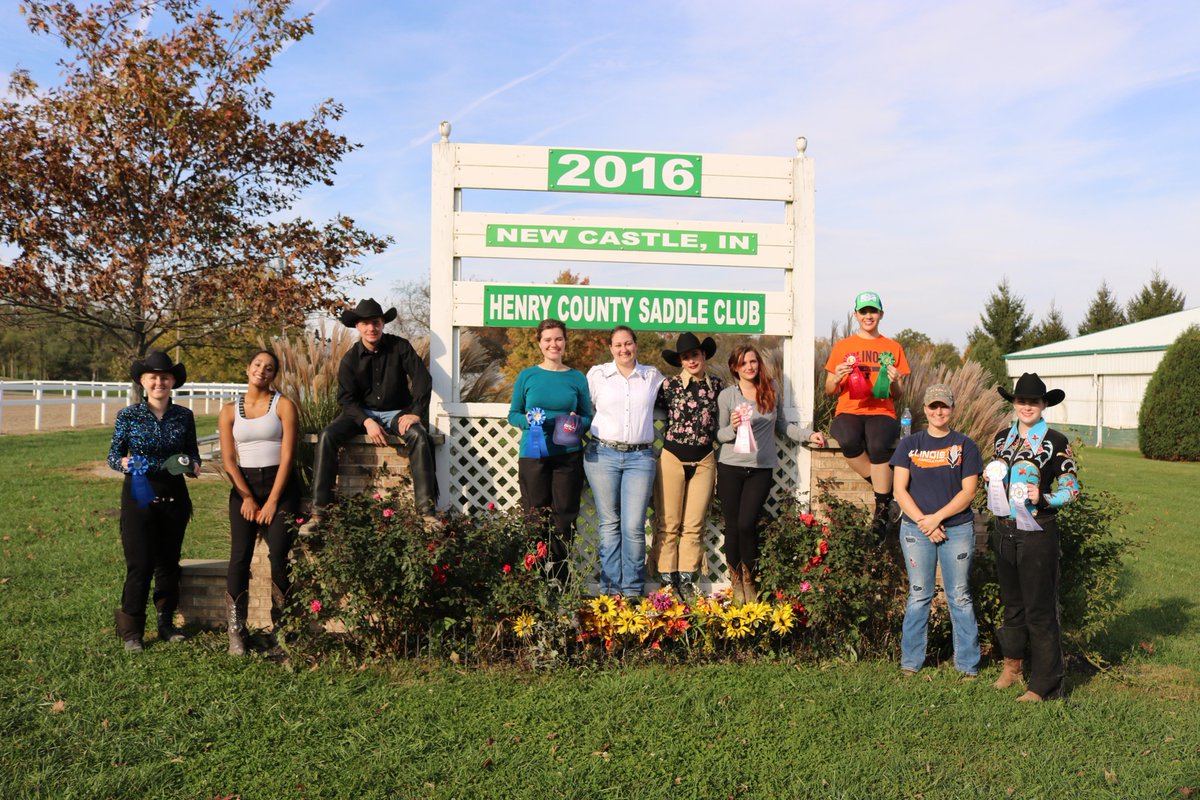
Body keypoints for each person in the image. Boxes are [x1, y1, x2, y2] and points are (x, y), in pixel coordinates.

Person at [988, 373, 1080, 702]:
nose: (1027, 406)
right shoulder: (1001, 439)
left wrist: (1043, 496)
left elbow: (1072, 490)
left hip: (1038, 530)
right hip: (1003, 528)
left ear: (1044, 405)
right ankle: (1012, 668)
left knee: (1039, 610)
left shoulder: (1056, 441)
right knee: (1012, 605)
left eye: (1034, 402)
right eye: (1021, 400)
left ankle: (1045, 684)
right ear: (1014, 404)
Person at [107, 351, 202, 652]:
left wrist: (194, 465)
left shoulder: (184, 416)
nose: (159, 381)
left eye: (165, 376)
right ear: (143, 381)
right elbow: (112, 455)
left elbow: (193, 453)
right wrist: (125, 463)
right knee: (140, 563)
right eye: (153, 377)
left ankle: (165, 621)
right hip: (139, 493)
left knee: (168, 562)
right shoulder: (128, 416)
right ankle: (132, 630)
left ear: (173, 381)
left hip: (174, 493)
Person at [310, 298, 438, 519]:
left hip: (396, 413)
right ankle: (319, 512)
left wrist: (415, 412)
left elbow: (422, 379)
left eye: (376, 322)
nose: (372, 328)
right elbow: (346, 399)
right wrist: (366, 421)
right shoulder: (350, 358)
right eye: (366, 323)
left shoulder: (400, 347)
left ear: (382, 324)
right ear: (358, 327)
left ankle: (427, 513)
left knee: (418, 435)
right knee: (327, 436)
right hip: (360, 413)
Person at [717, 343, 825, 604]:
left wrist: (808, 435)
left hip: (761, 469)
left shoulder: (771, 390)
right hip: (730, 465)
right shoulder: (727, 397)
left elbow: (782, 426)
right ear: (735, 367)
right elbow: (718, 435)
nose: (750, 367)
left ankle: (750, 579)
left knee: (747, 524)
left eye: (753, 361)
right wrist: (732, 429)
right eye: (743, 363)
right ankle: (738, 583)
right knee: (732, 527)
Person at [890, 384, 983, 678]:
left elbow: (968, 492)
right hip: (916, 531)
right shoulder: (910, 444)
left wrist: (937, 519)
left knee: (960, 595)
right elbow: (899, 490)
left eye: (943, 406)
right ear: (925, 410)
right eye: (933, 406)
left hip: (956, 529)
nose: (938, 411)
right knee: (919, 594)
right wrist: (924, 522)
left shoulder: (965, 445)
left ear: (952, 409)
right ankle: (911, 662)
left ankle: (967, 664)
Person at [218, 349, 301, 655]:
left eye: (269, 368)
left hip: (281, 488)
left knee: (279, 556)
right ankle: (236, 633)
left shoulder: (284, 405)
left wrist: (272, 501)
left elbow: (288, 456)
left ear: (273, 375)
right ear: (247, 368)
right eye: (257, 365)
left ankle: (282, 631)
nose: (262, 371)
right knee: (239, 557)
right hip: (245, 489)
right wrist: (248, 498)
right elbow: (228, 460)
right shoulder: (228, 410)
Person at [507, 319, 593, 585]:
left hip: (567, 455)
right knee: (534, 516)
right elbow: (513, 415)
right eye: (548, 340)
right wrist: (531, 422)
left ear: (565, 341)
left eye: (558, 339)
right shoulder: (527, 376)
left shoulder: (577, 378)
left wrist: (576, 423)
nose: (553, 344)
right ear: (539, 343)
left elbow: (589, 416)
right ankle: (535, 579)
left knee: (564, 517)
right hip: (533, 454)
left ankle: (560, 579)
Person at [585, 326, 665, 597]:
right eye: (618, 345)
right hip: (603, 455)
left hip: (640, 458)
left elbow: (674, 399)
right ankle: (610, 589)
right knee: (609, 524)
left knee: (633, 526)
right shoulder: (597, 375)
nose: (624, 349)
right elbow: (584, 405)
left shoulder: (651, 376)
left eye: (628, 343)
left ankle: (631, 589)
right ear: (610, 348)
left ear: (636, 345)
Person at [824, 290, 910, 540]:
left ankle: (881, 512)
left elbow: (898, 394)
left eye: (873, 311)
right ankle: (891, 494)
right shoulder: (843, 347)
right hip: (849, 409)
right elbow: (830, 389)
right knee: (849, 439)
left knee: (878, 443)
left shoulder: (893, 347)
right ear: (856, 315)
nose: (868, 315)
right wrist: (837, 377)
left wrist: (894, 381)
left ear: (881, 314)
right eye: (864, 311)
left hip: (882, 411)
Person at [648, 332, 724, 598]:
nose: (691, 360)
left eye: (695, 354)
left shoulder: (717, 385)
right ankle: (667, 579)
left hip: (704, 459)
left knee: (693, 523)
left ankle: (687, 577)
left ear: (703, 355)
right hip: (672, 458)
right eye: (685, 356)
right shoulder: (668, 386)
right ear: (680, 361)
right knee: (668, 522)